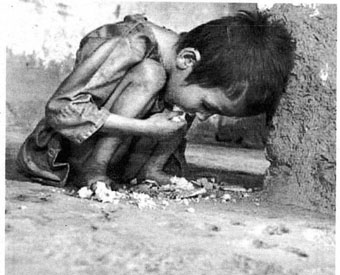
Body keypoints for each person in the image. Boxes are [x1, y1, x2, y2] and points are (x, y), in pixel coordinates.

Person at [16, 11, 295, 188]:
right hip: (62, 156)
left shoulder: (180, 65)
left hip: (122, 159)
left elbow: (186, 102)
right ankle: (95, 168)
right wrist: (146, 129)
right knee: (152, 75)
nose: (203, 117)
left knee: (182, 102)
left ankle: (152, 170)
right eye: (208, 106)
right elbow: (61, 110)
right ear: (188, 59)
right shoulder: (128, 44)